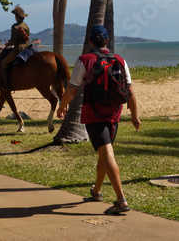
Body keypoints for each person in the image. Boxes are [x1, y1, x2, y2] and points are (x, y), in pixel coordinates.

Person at [56, 25, 141, 215]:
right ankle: (97, 190)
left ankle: (121, 199)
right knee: (105, 149)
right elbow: (130, 90)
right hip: (114, 113)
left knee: (106, 151)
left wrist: (61, 106)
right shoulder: (119, 59)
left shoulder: (84, 60)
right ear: (107, 41)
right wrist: (134, 116)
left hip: (94, 113)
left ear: (90, 42)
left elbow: (72, 90)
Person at [0, 5, 30, 89]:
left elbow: (13, 41)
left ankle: (5, 84)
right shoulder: (25, 25)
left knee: (3, 63)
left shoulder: (15, 26)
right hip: (27, 46)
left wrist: (7, 44)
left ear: (16, 17)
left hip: (18, 48)